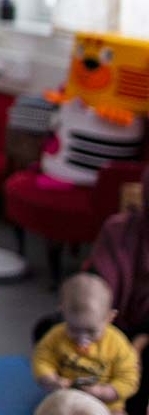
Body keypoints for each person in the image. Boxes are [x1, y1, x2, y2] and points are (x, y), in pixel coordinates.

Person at [33, 273, 140, 413]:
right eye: (74, 329)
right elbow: (42, 358)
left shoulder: (118, 344)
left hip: (108, 406)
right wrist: (50, 378)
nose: (82, 338)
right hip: (66, 399)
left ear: (110, 317)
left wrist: (105, 392)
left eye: (91, 331)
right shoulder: (56, 336)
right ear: (62, 313)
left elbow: (129, 378)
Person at [89, 166, 149, 415]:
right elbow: (96, 286)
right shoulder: (119, 229)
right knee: (54, 328)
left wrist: (139, 344)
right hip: (112, 324)